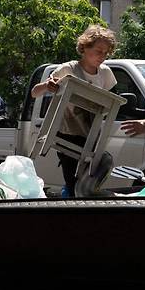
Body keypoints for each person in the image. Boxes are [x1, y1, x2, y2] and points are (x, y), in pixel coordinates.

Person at [31, 24, 117, 197]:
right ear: (85, 47)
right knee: (71, 178)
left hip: (91, 134)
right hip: (67, 131)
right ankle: (71, 206)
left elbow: (112, 102)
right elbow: (35, 92)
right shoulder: (67, 69)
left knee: (98, 167)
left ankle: (80, 199)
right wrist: (47, 86)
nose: (102, 56)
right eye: (99, 51)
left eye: (106, 53)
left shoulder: (105, 73)